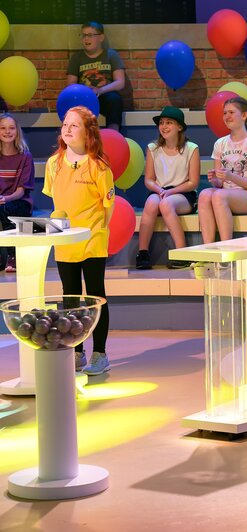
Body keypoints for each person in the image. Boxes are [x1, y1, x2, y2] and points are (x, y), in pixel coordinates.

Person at [43, 106, 115, 375]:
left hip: (93, 239)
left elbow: (108, 207)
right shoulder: (54, 163)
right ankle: (76, 351)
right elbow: (56, 199)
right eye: (65, 124)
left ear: (88, 133)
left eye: (74, 125)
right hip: (65, 241)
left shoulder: (99, 165)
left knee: (96, 296)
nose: (67, 129)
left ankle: (100, 353)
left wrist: (95, 230)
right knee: (70, 297)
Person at [136, 106, 200, 270]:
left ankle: (182, 253)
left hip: (183, 193)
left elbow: (193, 182)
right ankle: (143, 253)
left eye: (169, 123)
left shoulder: (191, 148)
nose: (164, 126)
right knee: (151, 203)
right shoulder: (153, 148)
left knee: (166, 204)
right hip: (160, 190)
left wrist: (171, 191)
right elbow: (149, 180)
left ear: (179, 127)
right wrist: (160, 190)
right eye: (161, 123)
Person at [198, 97, 247, 244]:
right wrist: (216, 179)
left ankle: (226, 247)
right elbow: (219, 184)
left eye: (231, 112)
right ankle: (208, 248)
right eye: (224, 113)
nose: (227, 116)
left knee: (219, 196)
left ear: (244, 115)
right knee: (204, 195)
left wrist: (231, 176)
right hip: (226, 193)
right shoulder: (220, 143)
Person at [66, 21, 125, 131]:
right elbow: (70, 85)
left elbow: (120, 82)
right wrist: (85, 90)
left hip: (105, 94)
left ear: (101, 37)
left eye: (90, 35)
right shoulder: (77, 58)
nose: (86, 39)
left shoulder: (111, 55)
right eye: (84, 35)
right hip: (84, 96)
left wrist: (100, 90)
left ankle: (113, 134)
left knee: (115, 100)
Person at [0, 113, 35, 273]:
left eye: (11, 128)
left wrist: (6, 198)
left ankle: (13, 256)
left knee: (6, 208)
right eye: (3, 128)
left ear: (17, 131)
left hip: (19, 201)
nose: (7, 132)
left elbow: (21, 190)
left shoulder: (25, 156)